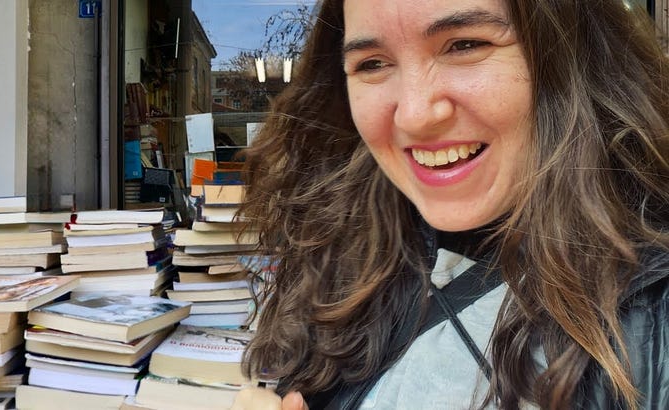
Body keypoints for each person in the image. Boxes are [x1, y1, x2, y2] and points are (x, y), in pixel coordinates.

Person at [231, 0, 669, 408]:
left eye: (465, 45)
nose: (415, 115)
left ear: (571, 53)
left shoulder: (654, 315)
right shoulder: (339, 249)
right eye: (373, 64)